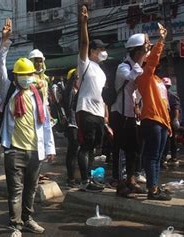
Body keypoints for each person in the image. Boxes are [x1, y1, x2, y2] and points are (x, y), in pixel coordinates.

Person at [0, 18, 56, 235]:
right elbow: (0, 67)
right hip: (14, 150)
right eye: (21, 75)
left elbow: (46, 123)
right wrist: (4, 42)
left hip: (35, 151)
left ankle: (28, 219)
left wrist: (49, 149)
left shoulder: (37, 94)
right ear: (16, 77)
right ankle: (15, 225)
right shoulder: (9, 92)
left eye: (28, 74)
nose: (25, 78)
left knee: (30, 189)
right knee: (16, 190)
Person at [135, 24, 172, 201]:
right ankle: (152, 188)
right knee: (152, 156)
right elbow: (152, 60)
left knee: (157, 158)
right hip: (151, 120)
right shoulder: (144, 76)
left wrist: (169, 125)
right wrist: (161, 41)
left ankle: (155, 187)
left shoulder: (158, 80)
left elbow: (164, 104)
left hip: (162, 122)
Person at [109, 33, 148, 197]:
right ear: (137, 52)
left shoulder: (137, 65)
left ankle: (131, 180)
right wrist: (141, 63)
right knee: (120, 150)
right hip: (120, 114)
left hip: (132, 115)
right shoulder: (123, 67)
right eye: (144, 51)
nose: (145, 54)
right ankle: (120, 183)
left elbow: (138, 91)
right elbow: (135, 77)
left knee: (134, 150)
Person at [76, 5, 108, 192]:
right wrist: (84, 23)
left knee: (95, 146)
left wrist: (105, 113)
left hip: (98, 113)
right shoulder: (84, 63)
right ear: (93, 51)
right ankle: (84, 181)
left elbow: (101, 95)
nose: (103, 51)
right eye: (101, 48)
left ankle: (90, 179)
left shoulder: (102, 72)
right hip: (85, 109)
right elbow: (84, 44)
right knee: (86, 145)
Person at [161, 77, 184, 166]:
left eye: (167, 86)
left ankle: (167, 158)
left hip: (170, 120)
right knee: (170, 139)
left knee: (170, 139)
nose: (165, 87)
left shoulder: (171, 97)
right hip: (165, 120)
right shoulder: (162, 96)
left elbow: (176, 108)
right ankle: (169, 157)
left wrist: (175, 120)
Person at [62, 68, 80, 188]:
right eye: (78, 78)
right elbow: (69, 107)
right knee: (72, 151)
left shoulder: (77, 90)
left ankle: (75, 176)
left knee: (76, 151)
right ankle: (71, 178)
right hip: (72, 124)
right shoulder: (70, 91)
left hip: (78, 124)